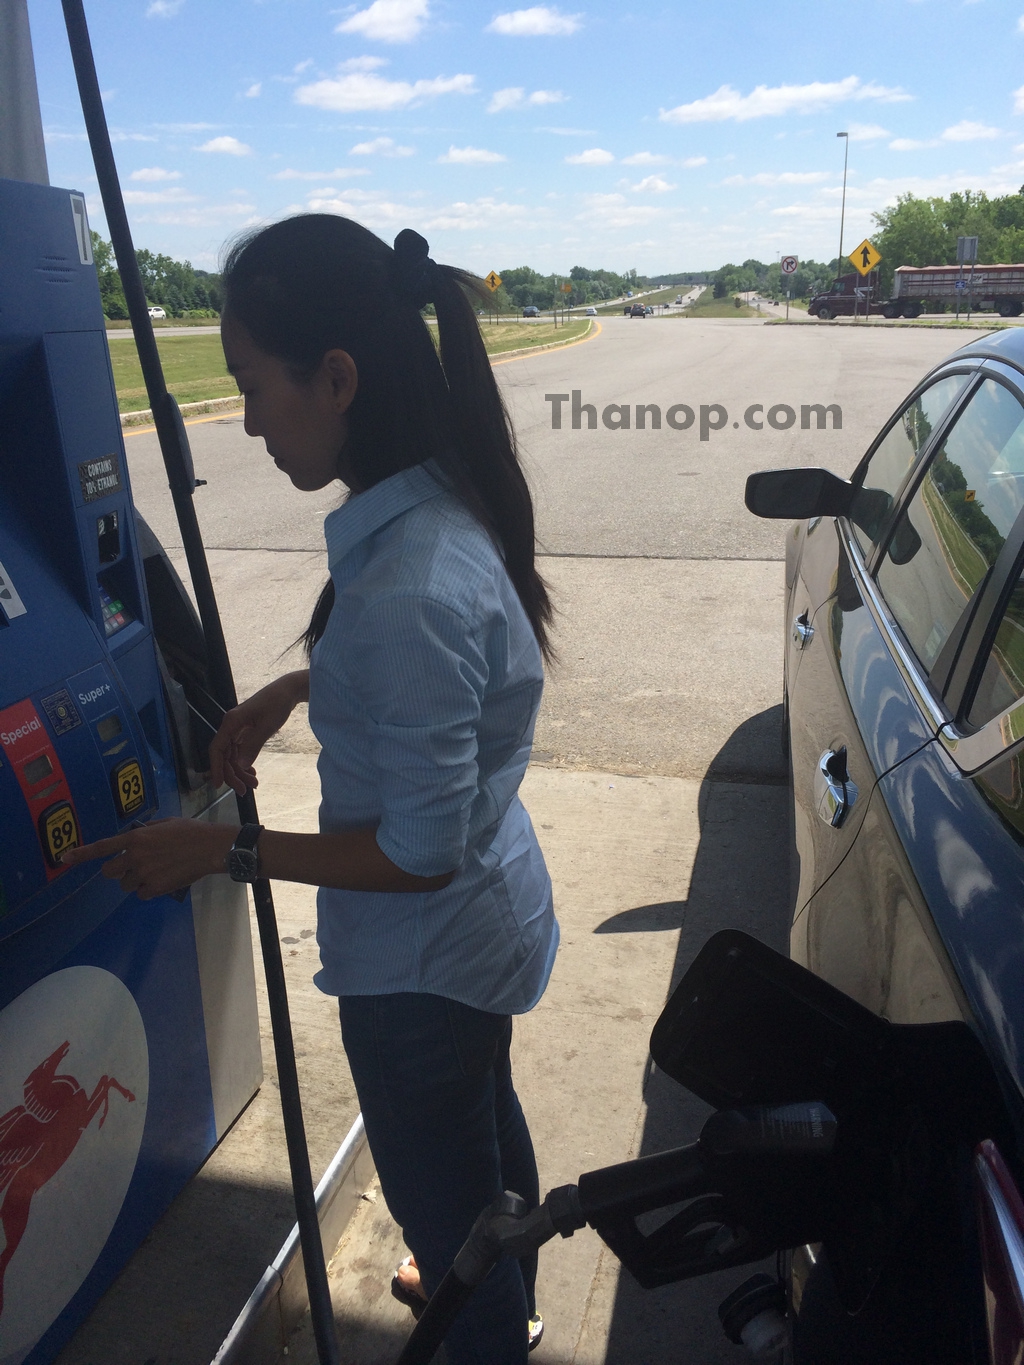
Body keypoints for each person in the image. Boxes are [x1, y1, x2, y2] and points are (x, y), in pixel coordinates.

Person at [63, 215, 560, 1364]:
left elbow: (417, 849)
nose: (243, 420)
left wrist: (221, 851)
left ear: (336, 378)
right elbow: (444, 676)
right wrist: (307, 685)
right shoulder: (441, 500)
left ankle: (489, 1323)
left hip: (424, 960)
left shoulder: (407, 584)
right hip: (480, 933)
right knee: (485, 1143)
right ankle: (509, 1290)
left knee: (453, 1219)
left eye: (250, 385)